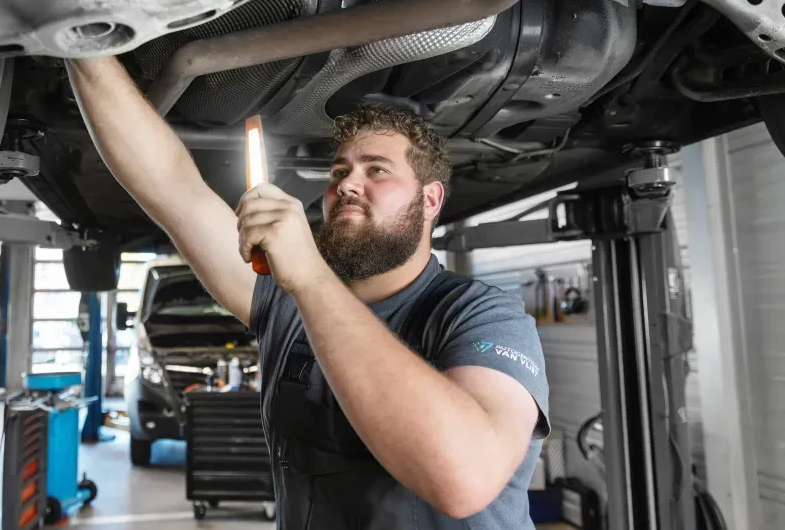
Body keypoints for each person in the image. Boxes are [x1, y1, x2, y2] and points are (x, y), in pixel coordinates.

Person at [66, 56, 550, 529]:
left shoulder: (483, 316)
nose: (347, 185)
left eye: (376, 170)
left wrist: (311, 277)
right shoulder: (284, 299)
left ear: (430, 199)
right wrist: (83, 44)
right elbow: (173, 187)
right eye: (340, 172)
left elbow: (463, 480)